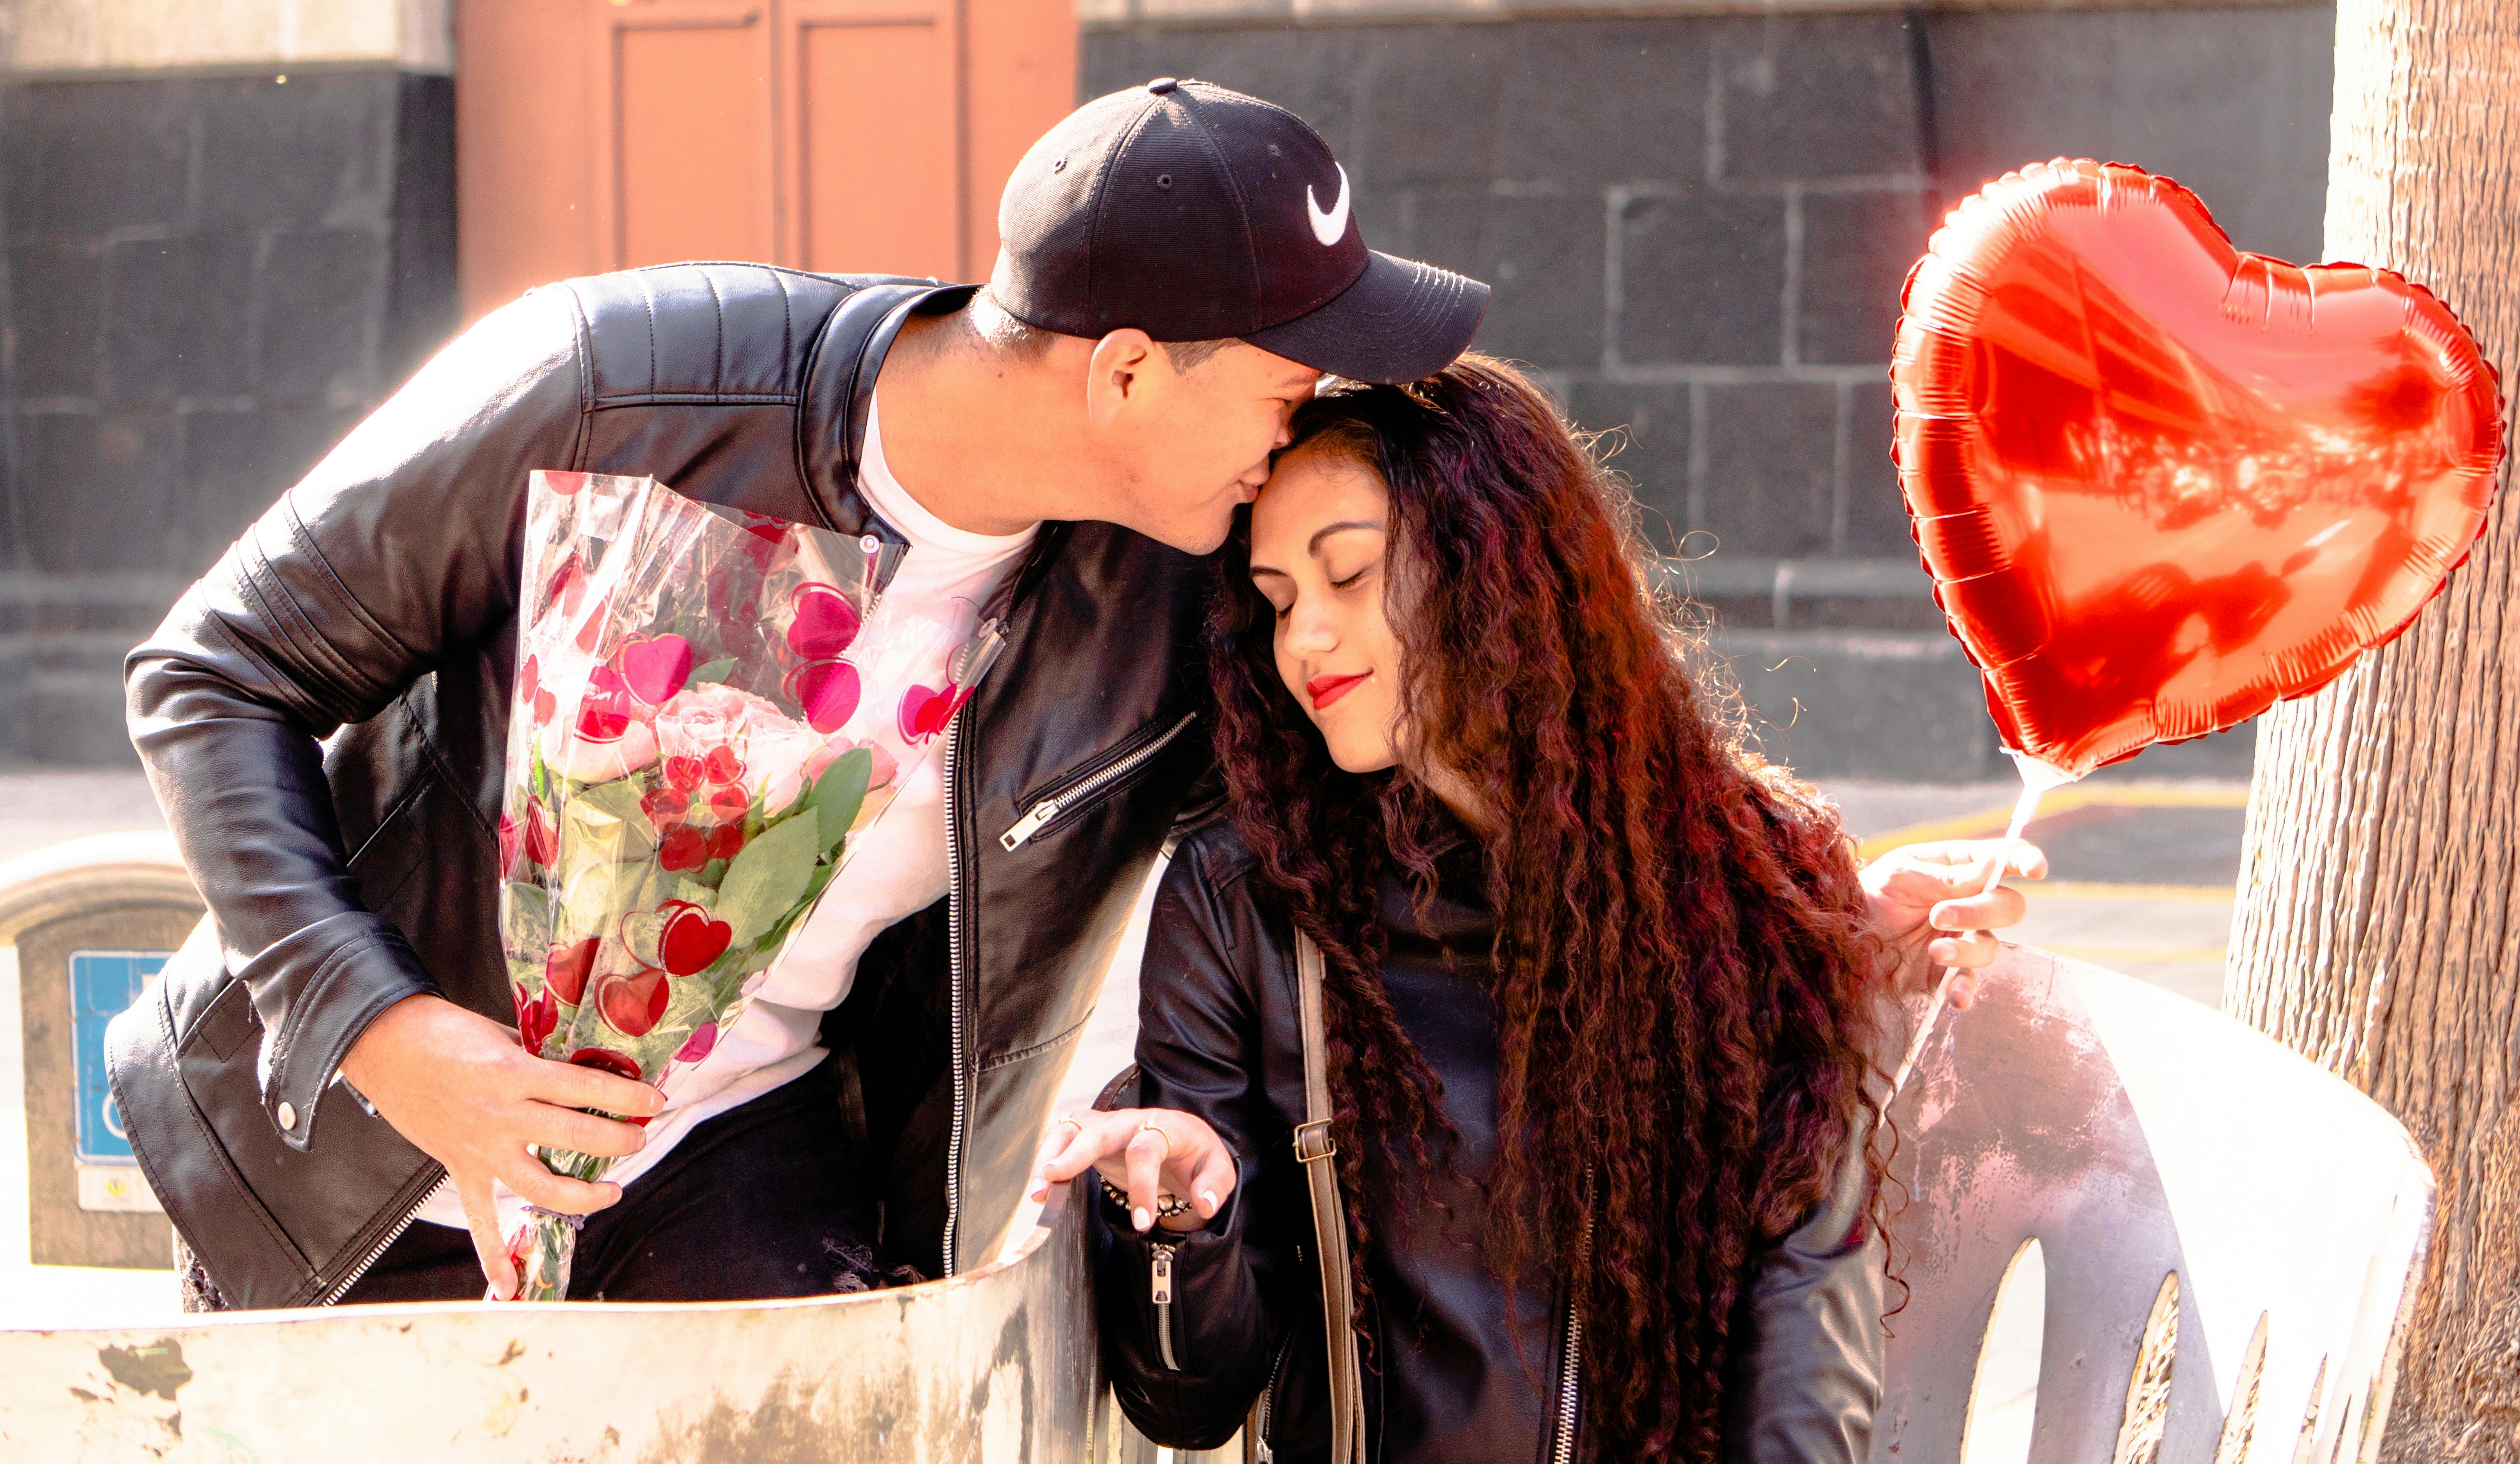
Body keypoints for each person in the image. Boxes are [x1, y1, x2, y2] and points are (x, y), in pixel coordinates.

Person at [112, 76, 2029, 1312]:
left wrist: (1802, 892)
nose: (1305, 418)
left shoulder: (1173, 577)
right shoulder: (612, 382)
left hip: (737, 1168)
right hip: (350, 1168)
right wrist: (380, 1028)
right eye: (1285, 372)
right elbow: (212, 670)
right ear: (1123, 371)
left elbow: (1472, 746)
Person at [1034, 360, 2043, 1462]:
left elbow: (1801, 1366)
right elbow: (1188, 1402)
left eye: (1349, 574)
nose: (1304, 639)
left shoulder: (1742, 900)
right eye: (1277, 601)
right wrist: (1186, 1218)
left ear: (1494, 567)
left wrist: (1830, 937)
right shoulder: (1244, 908)